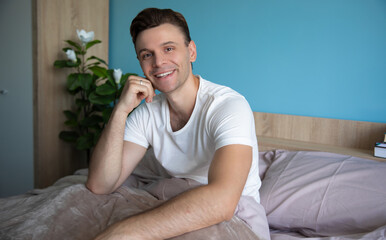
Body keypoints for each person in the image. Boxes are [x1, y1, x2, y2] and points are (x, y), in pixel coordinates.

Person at [86, 8, 268, 240]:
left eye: (168, 49)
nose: (159, 62)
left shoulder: (228, 106)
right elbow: (100, 185)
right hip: (177, 199)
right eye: (146, 55)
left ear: (191, 51)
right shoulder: (148, 112)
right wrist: (121, 111)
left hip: (236, 216)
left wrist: (124, 233)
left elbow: (223, 201)